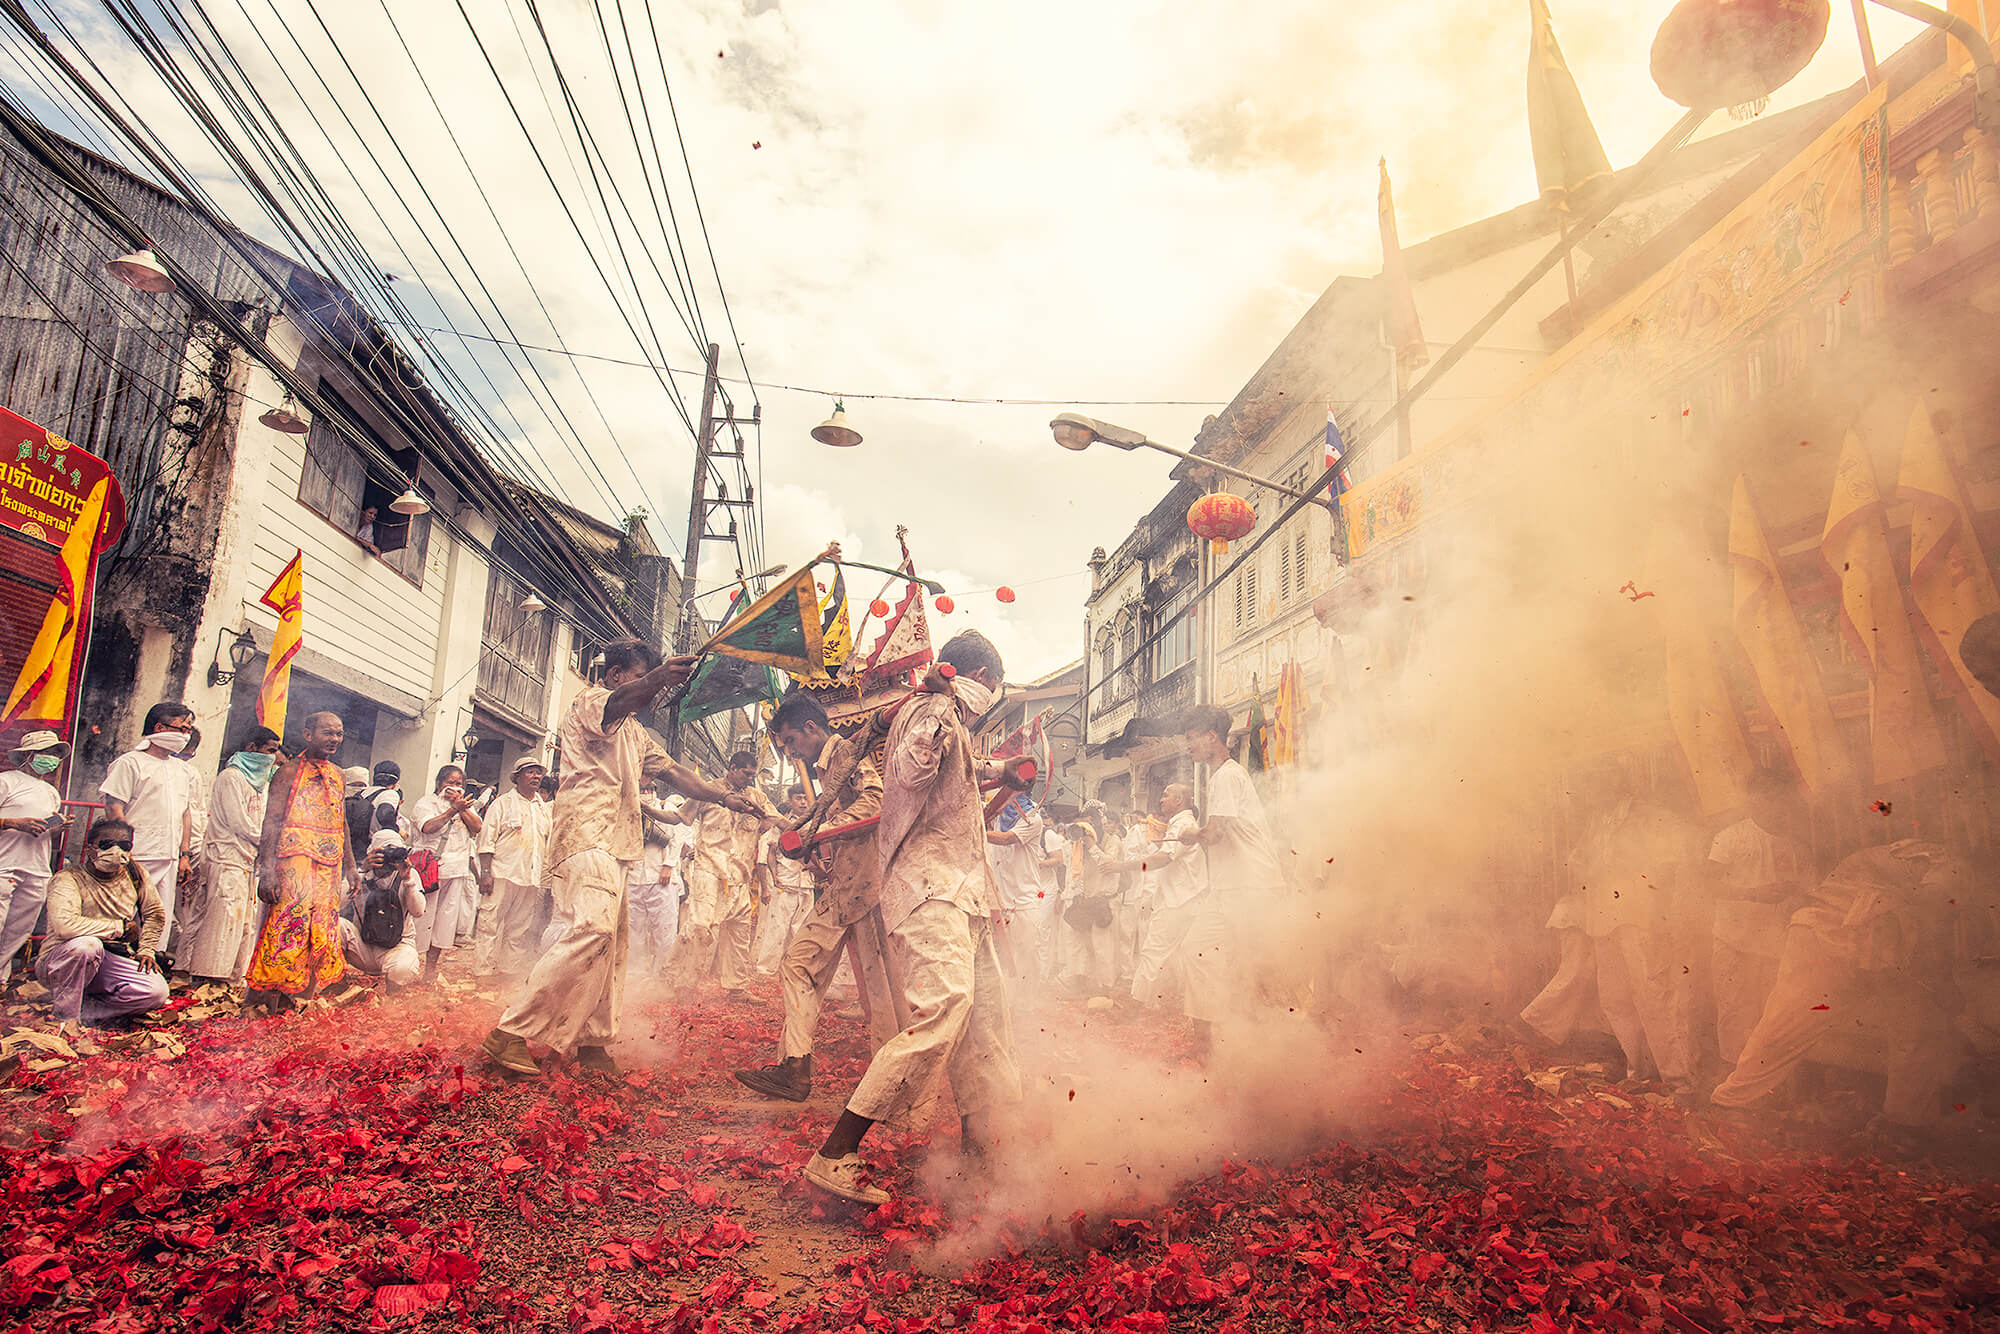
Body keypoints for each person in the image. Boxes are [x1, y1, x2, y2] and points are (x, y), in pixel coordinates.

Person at [802, 631, 1031, 1206]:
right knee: (945, 1009)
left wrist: (1002, 771)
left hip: (965, 891)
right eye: (990, 688)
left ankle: (980, 1155)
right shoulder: (932, 710)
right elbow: (912, 773)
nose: (989, 700)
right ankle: (836, 1154)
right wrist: (934, 708)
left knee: (984, 1022)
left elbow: (961, 769)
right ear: (974, 677)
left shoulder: (951, 719)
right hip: (929, 889)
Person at [480, 639, 758, 1078]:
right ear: (614, 676)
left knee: (612, 946)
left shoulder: (634, 732)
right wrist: (657, 679)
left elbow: (677, 774)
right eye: (638, 676)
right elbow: (621, 701)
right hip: (586, 835)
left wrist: (727, 797)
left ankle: (593, 1043)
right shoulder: (591, 701)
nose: (648, 692)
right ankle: (510, 1031)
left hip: (617, 845)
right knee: (592, 930)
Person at [1711, 837, 1972, 1126]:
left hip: (1814, 931)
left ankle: (1733, 1102)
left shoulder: (1891, 853)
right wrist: (1944, 983)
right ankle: (1906, 1128)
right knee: (1917, 1030)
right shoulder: (1949, 863)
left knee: (1785, 1023)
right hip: (1863, 937)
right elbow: (1933, 913)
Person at [735, 692, 884, 1102]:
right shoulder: (826, 768)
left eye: (789, 741)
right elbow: (821, 821)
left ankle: (805, 1069)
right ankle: (794, 1066)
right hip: (850, 883)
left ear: (811, 729)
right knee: (812, 970)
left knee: (870, 990)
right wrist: (806, 836)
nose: (789, 751)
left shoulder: (846, 755)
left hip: (864, 884)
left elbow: (876, 801)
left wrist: (818, 833)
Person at [1519, 765, 1702, 1091]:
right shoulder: (1598, 823)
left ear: (1615, 785)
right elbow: (1578, 864)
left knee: (1653, 997)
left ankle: (1681, 1080)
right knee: (1616, 999)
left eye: (1597, 784)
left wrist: (1661, 919)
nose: (1590, 793)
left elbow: (1667, 870)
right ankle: (1639, 1071)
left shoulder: (1649, 818)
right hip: (1602, 919)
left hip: (1640, 917)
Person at [1180, 704, 1283, 1054]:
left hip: (1251, 885)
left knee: (1256, 966)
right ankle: (1209, 1045)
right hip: (1232, 888)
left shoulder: (1226, 775)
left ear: (1211, 737)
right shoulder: (1224, 774)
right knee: (1200, 952)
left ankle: (1274, 1045)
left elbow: (1217, 832)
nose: (1188, 746)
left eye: (1192, 738)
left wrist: (1192, 834)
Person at [243, 712, 354, 1011]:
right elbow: (272, 821)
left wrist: (352, 867)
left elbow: (342, 823)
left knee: (321, 928)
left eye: (338, 734)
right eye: (327, 733)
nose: (334, 739)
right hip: (294, 864)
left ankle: (301, 996)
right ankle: (261, 997)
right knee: (285, 926)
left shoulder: (339, 775)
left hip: (328, 867)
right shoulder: (288, 772)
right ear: (308, 734)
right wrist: (266, 872)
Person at [1706, 770, 1808, 1065]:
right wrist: (1754, 894)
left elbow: (1804, 890)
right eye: (1767, 796)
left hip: (1774, 947)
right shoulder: (1730, 838)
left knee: (1771, 1017)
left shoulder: (1795, 846)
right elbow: (1708, 884)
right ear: (1754, 800)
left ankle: (1763, 1085)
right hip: (1732, 940)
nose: (1775, 804)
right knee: (1734, 1013)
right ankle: (1732, 1085)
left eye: (1779, 797)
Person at [37, 816, 170, 1029]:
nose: (117, 851)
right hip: (61, 960)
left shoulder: (136, 873)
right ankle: (66, 1018)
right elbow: (64, 926)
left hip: (109, 958)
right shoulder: (67, 879)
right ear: (90, 850)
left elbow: (154, 912)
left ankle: (89, 1010)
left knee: (156, 992)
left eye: (124, 845)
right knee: (87, 946)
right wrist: (119, 928)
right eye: (107, 845)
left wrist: (146, 951)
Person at [175, 727, 281, 983]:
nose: (274, 757)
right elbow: (239, 822)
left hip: (246, 858)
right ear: (252, 747)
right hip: (225, 855)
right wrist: (270, 841)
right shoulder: (231, 777)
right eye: (270, 750)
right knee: (222, 916)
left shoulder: (260, 783)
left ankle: (221, 973)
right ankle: (208, 975)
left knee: (239, 920)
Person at [670, 751, 778, 1003]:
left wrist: (767, 821)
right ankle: (683, 984)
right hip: (709, 870)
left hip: (740, 875)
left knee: (739, 934)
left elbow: (776, 818)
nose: (749, 779)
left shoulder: (757, 797)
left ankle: (737, 988)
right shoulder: (707, 791)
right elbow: (679, 817)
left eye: (753, 775)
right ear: (732, 768)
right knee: (700, 926)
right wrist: (647, 811)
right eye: (746, 773)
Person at [99, 702, 197, 944]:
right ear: (159, 727)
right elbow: (114, 806)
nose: (186, 735)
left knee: (157, 921)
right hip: (137, 853)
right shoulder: (130, 762)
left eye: (189, 730)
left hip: (169, 856)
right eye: (182, 729)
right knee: (122, 915)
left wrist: (184, 854)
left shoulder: (182, 770)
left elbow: (185, 813)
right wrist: (124, 848)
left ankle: (146, 969)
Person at [1129, 784, 1214, 1015]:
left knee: (1153, 951)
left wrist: (1124, 867)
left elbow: (1163, 859)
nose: (1161, 800)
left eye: (1166, 795)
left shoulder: (1183, 824)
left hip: (1179, 901)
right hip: (1184, 898)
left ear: (1179, 801)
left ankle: (1135, 1007)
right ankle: (1170, 1003)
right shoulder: (1178, 823)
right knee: (1180, 953)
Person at [0, 731, 73, 985]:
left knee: (19, 929)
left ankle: (1, 977)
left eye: (55, 754)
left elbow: (43, 831)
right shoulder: (6, 781)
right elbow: (15, 823)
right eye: (46, 753)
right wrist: (12, 822)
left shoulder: (50, 791)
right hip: (4, 864)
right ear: (28, 755)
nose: (51, 758)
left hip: (37, 867)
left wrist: (56, 828)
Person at [476, 757, 551, 979]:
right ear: (517, 776)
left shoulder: (543, 809)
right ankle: (483, 972)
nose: (536, 776)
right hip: (502, 874)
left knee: (519, 929)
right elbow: (486, 841)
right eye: (530, 772)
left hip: (530, 878)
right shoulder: (502, 804)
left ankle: (508, 971)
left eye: (538, 773)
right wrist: (486, 873)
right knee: (489, 925)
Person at [410, 764, 483, 984]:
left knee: (444, 924)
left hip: (456, 870)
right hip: (429, 871)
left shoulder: (464, 806)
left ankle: (430, 972)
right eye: (450, 783)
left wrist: (460, 808)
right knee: (420, 921)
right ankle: (410, 965)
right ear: (439, 783)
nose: (454, 788)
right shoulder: (425, 803)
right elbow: (428, 827)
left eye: (458, 784)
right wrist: (452, 809)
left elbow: (477, 827)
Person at [983, 795, 1054, 993]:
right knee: (1003, 956)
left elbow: (1007, 839)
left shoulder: (1032, 818)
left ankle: (1028, 1005)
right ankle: (1008, 1005)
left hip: (1025, 901)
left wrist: (976, 829)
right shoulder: (998, 813)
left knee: (1026, 956)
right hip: (999, 901)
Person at [340, 829, 426, 991]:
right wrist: (362, 870)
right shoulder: (362, 873)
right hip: (363, 947)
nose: (388, 860)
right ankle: (337, 982)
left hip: (396, 947)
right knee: (334, 925)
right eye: (384, 854)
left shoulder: (408, 874)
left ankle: (393, 990)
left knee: (403, 968)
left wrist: (407, 880)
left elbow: (418, 911)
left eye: (394, 854)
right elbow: (336, 904)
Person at [753, 785, 817, 976]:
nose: (803, 803)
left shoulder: (813, 824)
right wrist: (774, 877)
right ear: (790, 801)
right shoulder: (780, 825)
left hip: (806, 883)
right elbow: (770, 854)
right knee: (777, 928)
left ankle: (792, 969)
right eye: (798, 798)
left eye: (806, 798)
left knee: (801, 931)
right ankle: (765, 970)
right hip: (785, 884)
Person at [627, 817, 679, 980]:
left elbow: (678, 839)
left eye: (649, 789)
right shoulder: (627, 811)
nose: (646, 792)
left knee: (664, 929)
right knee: (633, 931)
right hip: (633, 878)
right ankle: (636, 975)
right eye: (642, 789)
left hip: (660, 878)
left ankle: (663, 975)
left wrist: (668, 865)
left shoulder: (666, 811)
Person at [346, 761, 404, 863]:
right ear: (395, 783)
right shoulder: (389, 794)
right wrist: (398, 831)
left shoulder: (361, 793)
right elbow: (384, 814)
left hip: (352, 849)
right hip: (372, 852)